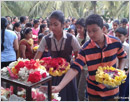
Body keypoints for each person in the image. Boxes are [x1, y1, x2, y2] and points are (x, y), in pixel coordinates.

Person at [52, 14, 127, 101]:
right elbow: (75, 68)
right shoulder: (85, 49)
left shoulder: (116, 42)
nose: (91, 34)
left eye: (94, 30)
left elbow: (123, 57)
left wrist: (120, 71)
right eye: (88, 31)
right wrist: (59, 86)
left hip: (113, 92)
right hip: (94, 93)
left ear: (103, 29)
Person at [34, 10, 80, 101]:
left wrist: (71, 65)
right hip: (52, 73)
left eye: (55, 24)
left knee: (68, 97)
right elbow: (36, 58)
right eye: (50, 24)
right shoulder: (46, 39)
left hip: (68, 74)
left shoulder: (71, 38)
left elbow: (78, 57)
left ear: (63, 24)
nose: (52, 27)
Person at [75, 18, 90, 101]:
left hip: (85, 67)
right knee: (77, 86)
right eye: (77, 27)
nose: (78, 30)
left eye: (80, 27)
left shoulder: (88, 38)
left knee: (82, 89)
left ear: (84, 27)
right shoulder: (77, 36)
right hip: (78, 65)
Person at [115, 27, 129, 101]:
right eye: (116, 36)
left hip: (125, 72)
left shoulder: (127, 47)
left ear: (126, 36)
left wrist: (127, 71)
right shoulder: (114, 45)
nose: (117, 38)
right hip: (116, 71)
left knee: (122, 93)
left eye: (120, 36)